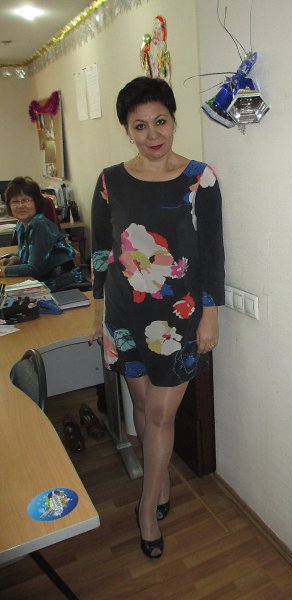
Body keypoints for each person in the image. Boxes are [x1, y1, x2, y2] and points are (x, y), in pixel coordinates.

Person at [89, 77, 225, 559]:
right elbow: (101, 251)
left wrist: (210, 314)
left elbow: (211, 251)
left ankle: (146, 509)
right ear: (127, 130)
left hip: (179, 317)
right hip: (124, 312)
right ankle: (160, 482)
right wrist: (97, 312)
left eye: (160, 121)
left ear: (173, 119)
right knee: (143, 405)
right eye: (140, 125)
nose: (153, 134)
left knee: (163, 414)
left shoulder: (200, 178)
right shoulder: (110, 180)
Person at [0, 177, 82, 291]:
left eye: (26, 200)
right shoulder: (22, 225)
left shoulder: (39, 225)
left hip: (59, 285)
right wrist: (14, 259)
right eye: (15, 202)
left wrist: (2, 271)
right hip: (41, 281)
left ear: (36, 202)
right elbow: (28, 253)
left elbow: (34, 269)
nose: (20, 206)